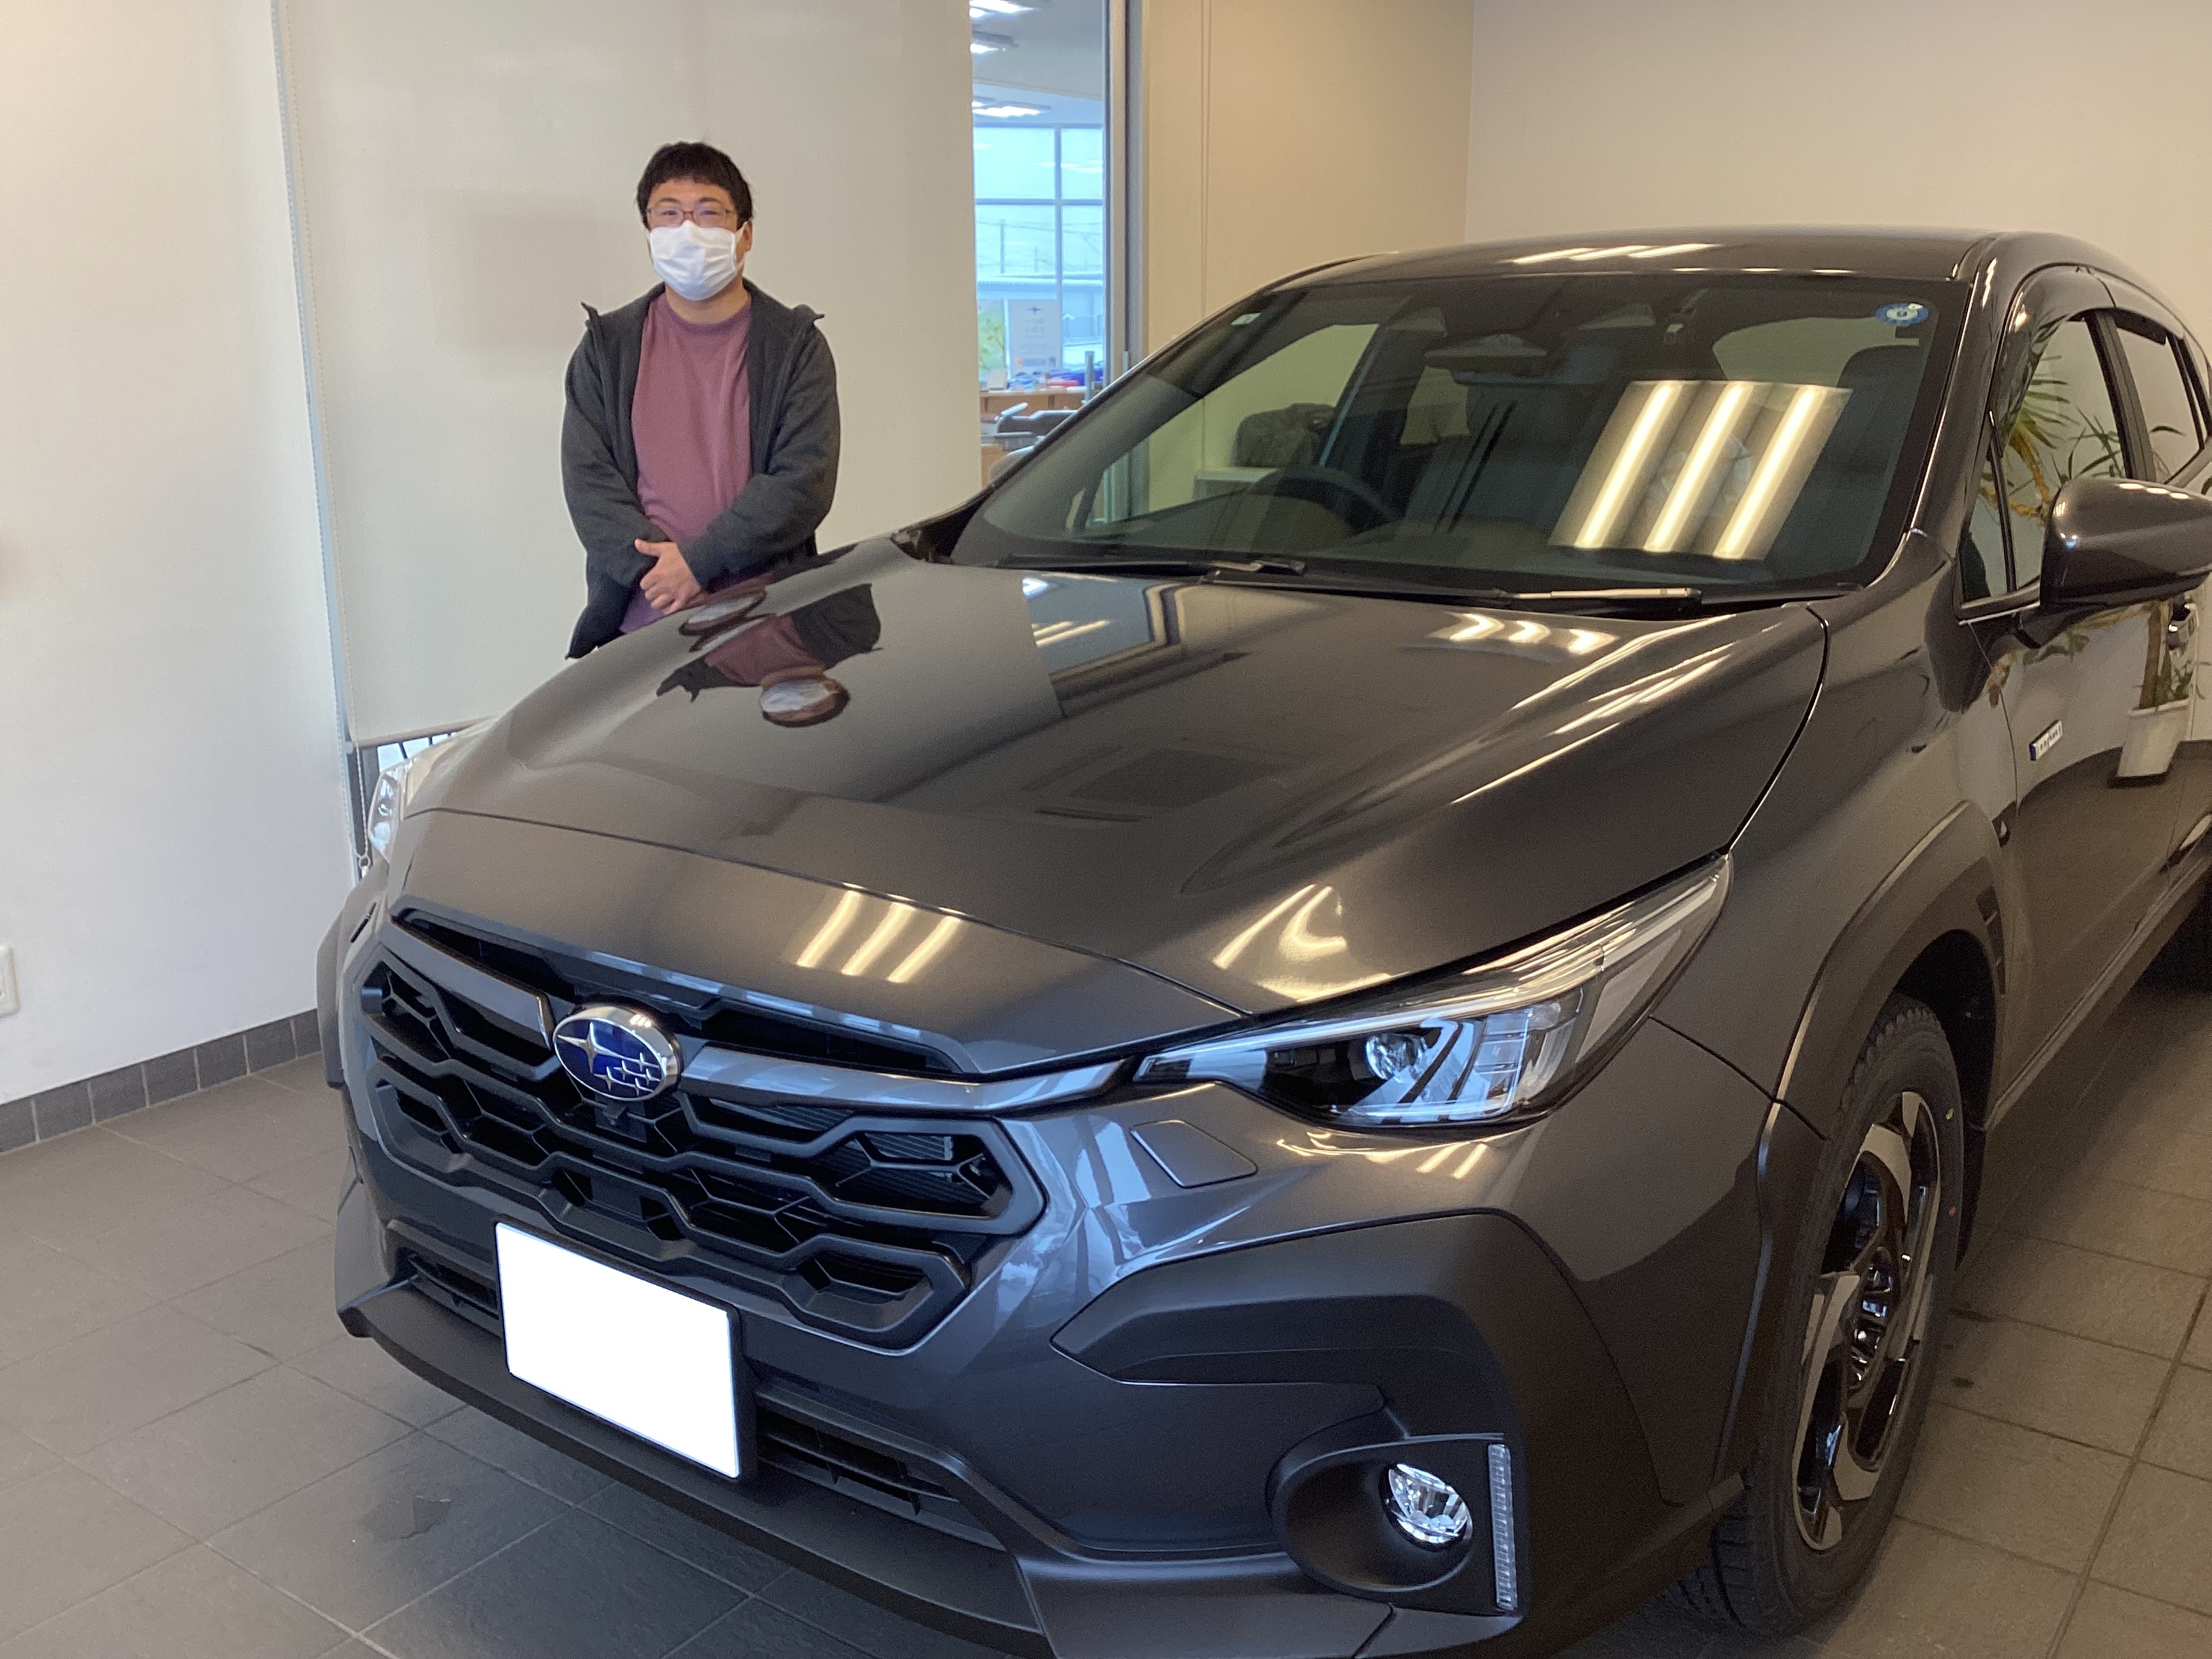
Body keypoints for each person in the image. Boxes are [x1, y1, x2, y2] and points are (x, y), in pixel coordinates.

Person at [560, 140, 840, 657]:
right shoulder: (607, 349)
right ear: (649, 233)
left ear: (745, 234)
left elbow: (803, 480)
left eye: (708, 213)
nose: (687, 231)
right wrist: (662, 576)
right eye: (668, 214)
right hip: (640, 630)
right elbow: (590, 483)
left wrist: (699, 562)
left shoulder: (794, 347)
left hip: (764, 625)